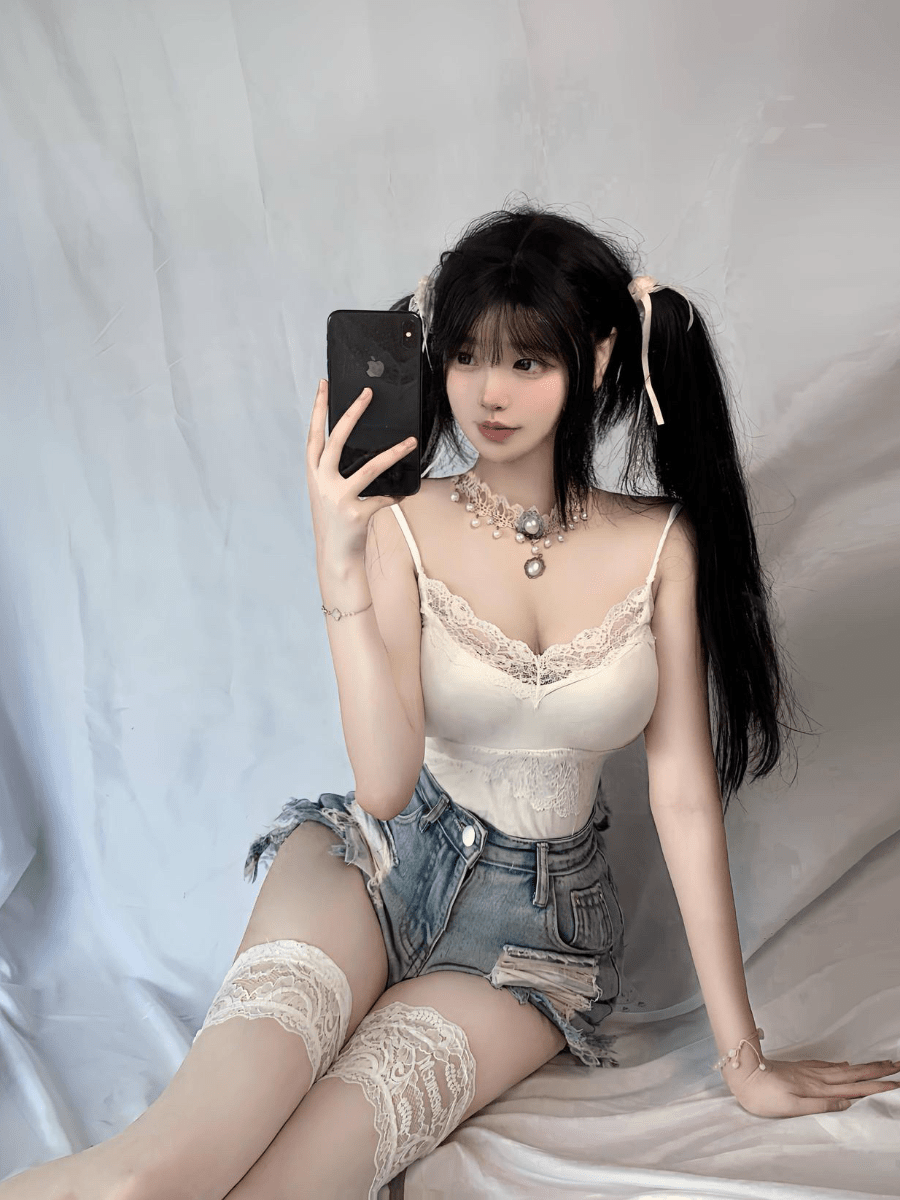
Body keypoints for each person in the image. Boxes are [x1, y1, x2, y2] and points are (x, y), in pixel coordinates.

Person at [3, 202, 899, 1200]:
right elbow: (385, 786)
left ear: (599, 359)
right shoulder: (402, 522)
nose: (488, 392)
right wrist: (339, 558)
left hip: (538, 942)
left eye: (527, 361)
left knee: (288, 1188)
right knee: (150, 1176)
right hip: (375, 868)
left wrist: (746, 1061)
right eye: (467, 356)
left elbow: (685, 797)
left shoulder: (661, 546)